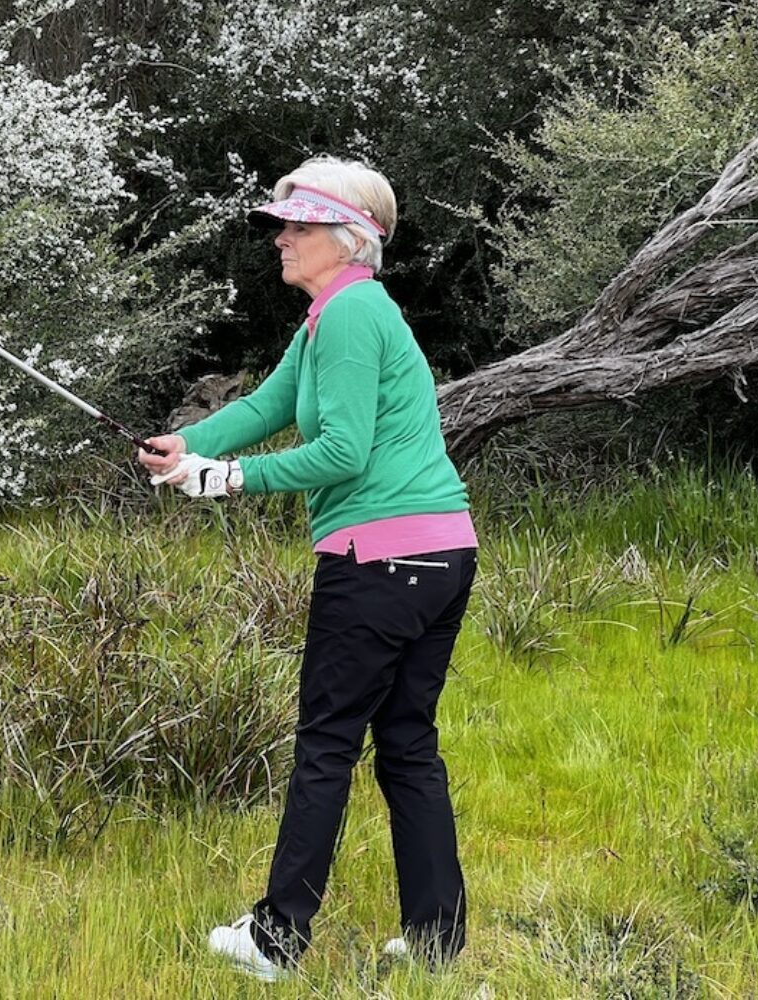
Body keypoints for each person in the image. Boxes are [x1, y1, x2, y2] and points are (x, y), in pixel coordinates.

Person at [137, 156, 479, 982]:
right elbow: (270, 405)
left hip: (380, 561)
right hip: (438, 554)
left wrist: (230, 479)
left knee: (327, 745)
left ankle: (274, 942)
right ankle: (435, 945)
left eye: (298, 225)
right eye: (283, 225)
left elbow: (343, 452)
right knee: (406, 745)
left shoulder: (353, 313)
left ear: (348, 237)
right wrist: (191, 445)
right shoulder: (336, 313)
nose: (281, 239)